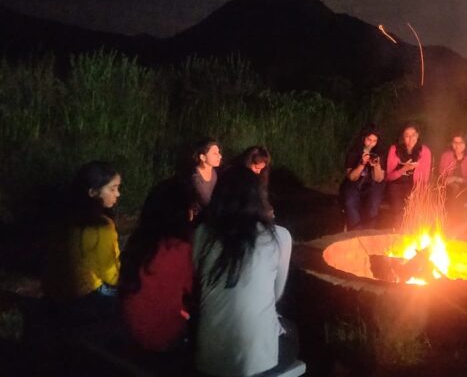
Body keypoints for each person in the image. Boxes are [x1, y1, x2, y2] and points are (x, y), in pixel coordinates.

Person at [194, 165, 295, 377]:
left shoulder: (202, 234)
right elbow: (276, 295)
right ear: (259, 197)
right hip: (260, 361)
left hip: (209, 358)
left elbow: (197, 282)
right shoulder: (279, 236)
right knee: (292, 333)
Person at [119, 177, 196, 352]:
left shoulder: (138, 242)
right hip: (164, 337)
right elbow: (193, 291)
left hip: (131, 330)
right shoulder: (180, 249)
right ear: (182, 213)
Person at [42, 161, 122, 325]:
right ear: (93, 192)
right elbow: (110, 274)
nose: (118, 194)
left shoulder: (63, 217)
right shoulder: (102, 226)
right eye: (113, 189)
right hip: (84, 297)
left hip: (54, 293)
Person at [386, 123, 432, 224]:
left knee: (415, 210)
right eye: (407, 135)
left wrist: (419, 192)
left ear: (418, 135)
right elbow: (389, 176)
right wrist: (404, 169)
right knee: (399, 211)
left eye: (413, 135)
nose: (411, 138)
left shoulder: (425, 151)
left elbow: (425, 177)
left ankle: (413, 231)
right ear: (403, 136)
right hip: (397, 184)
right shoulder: (394, 149)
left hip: (415, 185)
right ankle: (399, 231)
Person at [341, 125, 385, 230]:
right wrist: (361, 164)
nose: (371, 143)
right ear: (363, 138)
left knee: (374, 204)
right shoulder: (354, 152)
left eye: (374, 141)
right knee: (350, 202)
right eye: (369, 140)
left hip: (373, 183)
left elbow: (379, 179)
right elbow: (351, 178)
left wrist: (376, 165)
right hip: (356, 182)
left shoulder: (379, 153)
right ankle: (357, 231)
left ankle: (369, 231)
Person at [438, 132, 467, 199]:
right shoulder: (446, 156)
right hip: (450, 187)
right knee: (452, 190)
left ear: (466, 143)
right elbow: (442, 175)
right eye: (455, 142)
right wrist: (447, 180)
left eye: (461, 143)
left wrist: (457, 179)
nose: (457, 145)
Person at [190, 138, 222, 214]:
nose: (220, 156)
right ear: (203, 157)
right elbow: (207, 203)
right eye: (215, 154)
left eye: (218, 152)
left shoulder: (213, 171)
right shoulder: (196, 178)